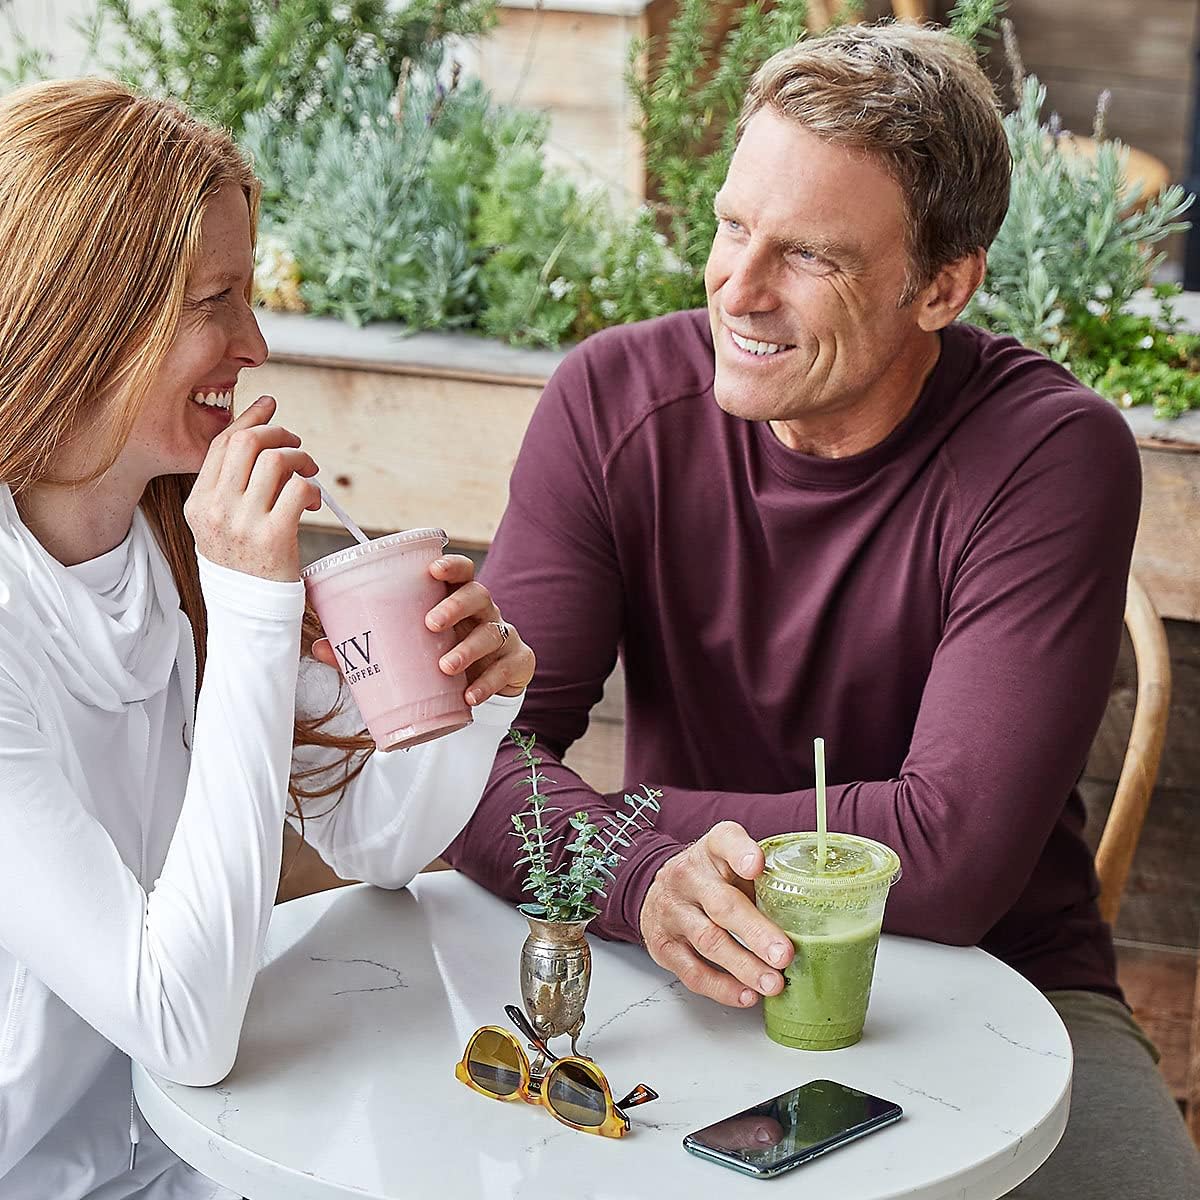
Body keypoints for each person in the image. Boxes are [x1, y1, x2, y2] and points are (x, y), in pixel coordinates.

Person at [445, 22, 1200, 1198]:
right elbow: (467, 763)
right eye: (733, 226)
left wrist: (623, 834)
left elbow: (947, 860)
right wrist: (642, 877)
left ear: (942, 286)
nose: (737, 290)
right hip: (679, 969)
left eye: (811, 257)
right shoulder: (610, 403)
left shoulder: (1051, 452)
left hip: (1002, 990)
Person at [0, 79, 534, 1200]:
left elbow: (375, 842)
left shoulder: (180, 541)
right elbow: (178, 1023)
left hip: (186, 1154)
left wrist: (468, 705)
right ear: (90, 314)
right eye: (216, 299)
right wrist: (253, 611)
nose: (254, 341)